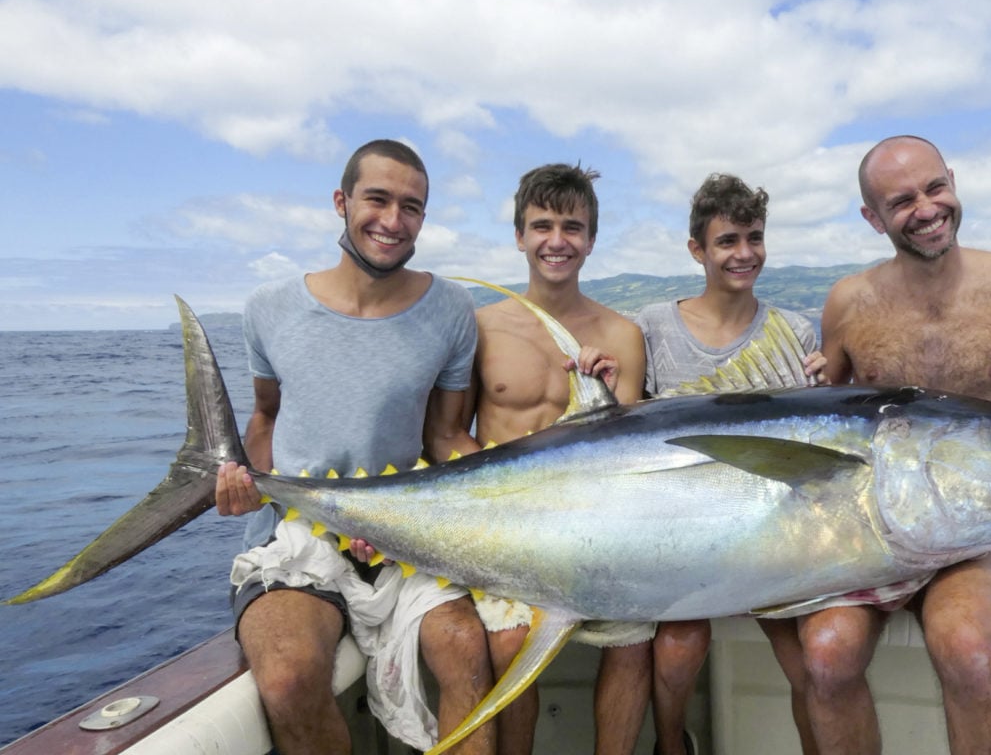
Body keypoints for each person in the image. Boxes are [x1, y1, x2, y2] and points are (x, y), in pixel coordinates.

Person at [807, 134, 991, 754]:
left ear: (953, 182)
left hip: (972, 527)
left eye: (935, 188)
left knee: (968, 653)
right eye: (901, 200)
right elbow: (823, 406)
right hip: (872, 529)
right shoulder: (849, 301)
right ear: (872, 217)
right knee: (826, 658)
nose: (927, 209)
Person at [214, 139, 495, 755]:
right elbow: (265, 416)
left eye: (412, 207)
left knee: (468, 652)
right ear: (341, 202)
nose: (393, 221)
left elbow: (445, 436)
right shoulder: (268, 308)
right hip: (298, 535)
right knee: (287, 676)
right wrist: (242, 480)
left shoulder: (451, 309)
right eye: (378, 199)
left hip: (403, 533)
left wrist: (522, 485)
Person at [634, 173, 827, 755]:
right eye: (727, 241)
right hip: (683, 531)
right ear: (698, 250)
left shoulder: (794, 332)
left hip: (772, 534)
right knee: (675, 652)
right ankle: (672, 744)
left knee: (809, 663)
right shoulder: (651, 325)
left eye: (754, 237)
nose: (744, 254)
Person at [466, 163, 653, 755]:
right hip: (505, 527)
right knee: (510, 640)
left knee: (634, 640)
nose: (556, 241)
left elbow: (628, 454)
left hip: (597, 527)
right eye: (541, 225)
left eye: (572, 227)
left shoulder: (622, 334)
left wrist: (613, 387)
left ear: (591, 240)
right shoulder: (480, 328)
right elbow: (446, 435)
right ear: (519, 236)